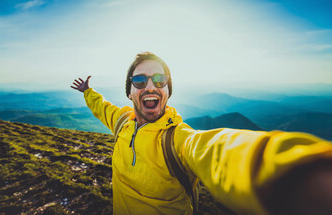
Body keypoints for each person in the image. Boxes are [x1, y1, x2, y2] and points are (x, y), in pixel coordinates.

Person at [71, 52, 332, 215]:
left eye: (160, 81)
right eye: (140, 81)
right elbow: (101, 107)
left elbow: (216, 150)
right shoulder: (121, 121)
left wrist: (292, 172)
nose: (150, 86)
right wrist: (87, 92)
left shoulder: (177, 140)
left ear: (168, 92)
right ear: (129, 92)